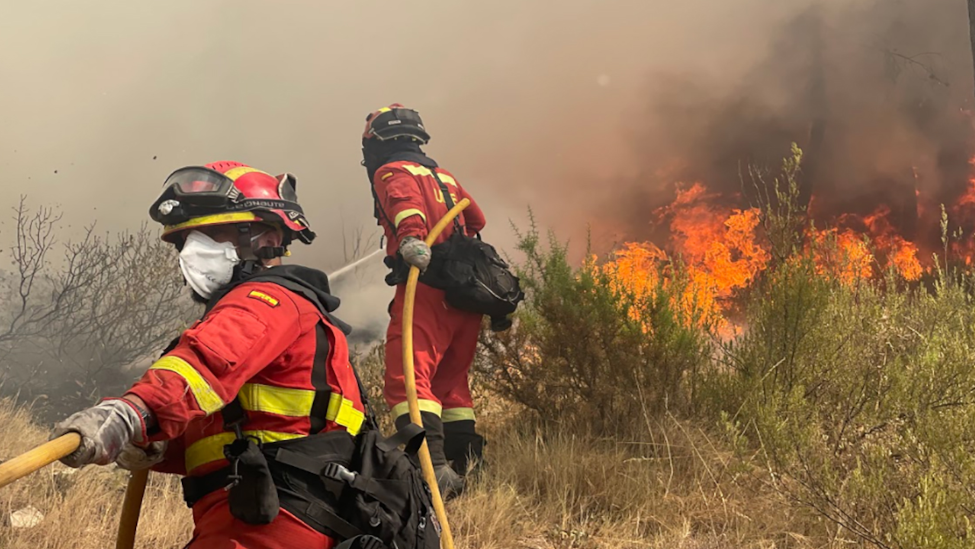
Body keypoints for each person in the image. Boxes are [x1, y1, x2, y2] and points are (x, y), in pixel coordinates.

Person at [51, 161, 368, 549]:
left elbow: (204, 365)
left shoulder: (267, 300)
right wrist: (158, 446)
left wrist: (130, 413)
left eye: (213, 233)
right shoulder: (263, 316)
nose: (193, 250)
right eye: (186, 239)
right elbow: (233, 431)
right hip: (246, 519)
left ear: (267, 237)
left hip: (273, 527)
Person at [361, 104, 487, 497]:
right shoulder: (443, 175)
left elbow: (404, 205)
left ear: (376, 142)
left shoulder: (390, 171)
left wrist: (412, 238)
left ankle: (430, 469)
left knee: (408, 377)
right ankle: (465, 462)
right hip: (463, 294)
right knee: (450, 382)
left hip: (425, 286)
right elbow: (477, 220)